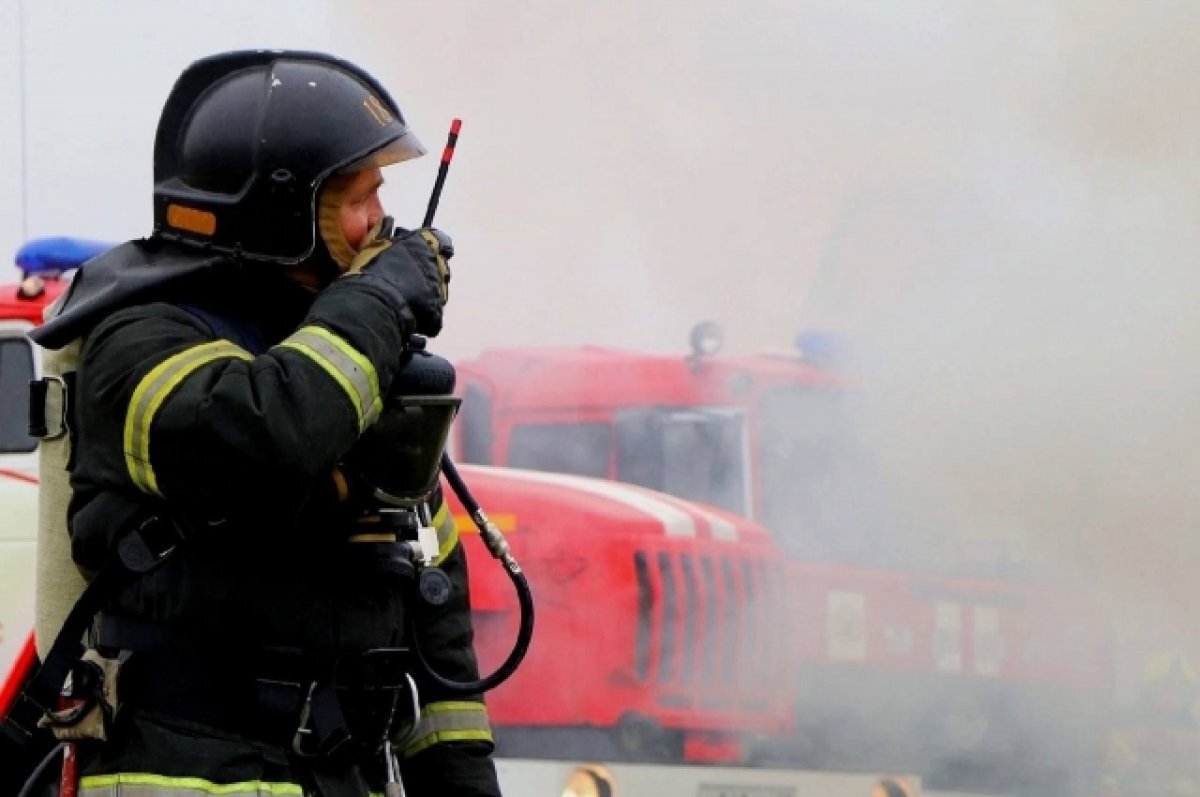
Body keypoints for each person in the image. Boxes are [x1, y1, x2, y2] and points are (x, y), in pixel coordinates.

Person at [27, 49, 500, 797]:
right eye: (357, 198)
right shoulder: (142, 343)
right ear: (283, 212)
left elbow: (436, 633)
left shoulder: (350, 363)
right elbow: (272, 435)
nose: (383, 225)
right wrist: (380, 302)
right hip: (187, 773)